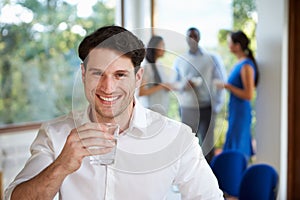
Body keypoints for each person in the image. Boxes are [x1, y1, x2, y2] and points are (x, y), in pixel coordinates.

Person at [5, 25, 223, 200]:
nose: (107, 88)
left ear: (138, 77)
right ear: (83, 74)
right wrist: (61, 165)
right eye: (98, 73)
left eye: (119, 75)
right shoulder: (55, 134)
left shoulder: (177, 138)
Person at [173, 27, 226, 163]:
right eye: (189, 37)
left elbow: (220, 83)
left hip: (207, 106)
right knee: (188, 144)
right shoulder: (180, 60)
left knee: (208, 145)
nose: (192, 39)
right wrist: (183, 86)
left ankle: (209, 178)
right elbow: (174, 83)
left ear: (199, 38)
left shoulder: (211, 58)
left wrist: (218, 105)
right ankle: (188, 177)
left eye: (194, 36)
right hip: (187, 107)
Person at [216, 30, 259, 161]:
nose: (228, 45)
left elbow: (248, 94)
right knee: (234, 144)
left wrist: (227, 86)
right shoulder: (239, 63)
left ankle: (237, 177)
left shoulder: (246, 66)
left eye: (230, 43)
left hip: (241, 112)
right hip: (235, 111)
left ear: (237, 46)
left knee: (238, 146)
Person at [138, 35, 172, 115]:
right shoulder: (147, 67)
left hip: (161, 110)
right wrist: (161, 86)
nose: (164, 49)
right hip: (150, 110)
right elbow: (141, 92)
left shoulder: (159, 64)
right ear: (155, 47)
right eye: (162, 45)